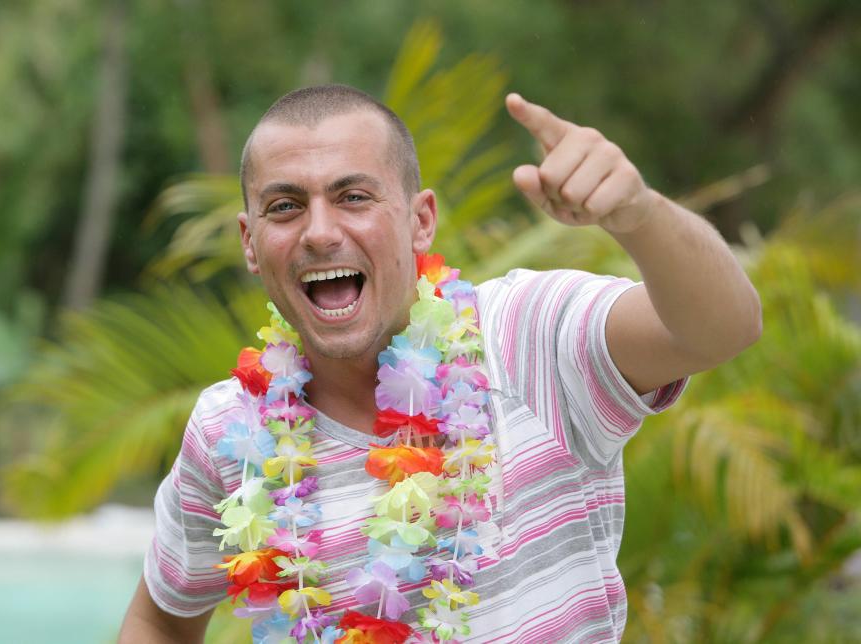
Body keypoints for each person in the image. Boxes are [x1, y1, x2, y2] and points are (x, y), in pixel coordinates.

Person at [119, 85, 761, 643]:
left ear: (420, 220)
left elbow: (723, 329)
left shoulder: (527, 335)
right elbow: (161, 621)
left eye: (353, 197)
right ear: (250, 243)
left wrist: (639, 215)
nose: (318, 231)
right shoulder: (230, 435)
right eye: (285, 206)